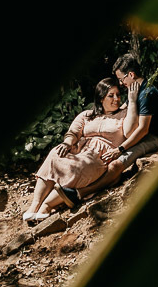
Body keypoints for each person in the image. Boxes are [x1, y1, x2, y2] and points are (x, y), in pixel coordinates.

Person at [36, 53, 158, 215]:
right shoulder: (134, 91)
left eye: (121, 79)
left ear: (131, 75)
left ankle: (80, 193)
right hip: (140, 135)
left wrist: (120, 149)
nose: (120, 83)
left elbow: (142, 130)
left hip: (153, 138)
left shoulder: (147, 94)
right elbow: (122, 112)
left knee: (115, 165)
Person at [22, 78, 128, 222]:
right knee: (55, 154)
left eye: (118, 95)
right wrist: (67, 144)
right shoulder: (87, 115)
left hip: (100, 156)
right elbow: (73, 132)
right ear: (101, 98)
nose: (116, 99)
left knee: (79, 167)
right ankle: (35, 205)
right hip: (80, 150)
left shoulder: (124, 115)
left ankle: (46, 205)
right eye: (111, 95)